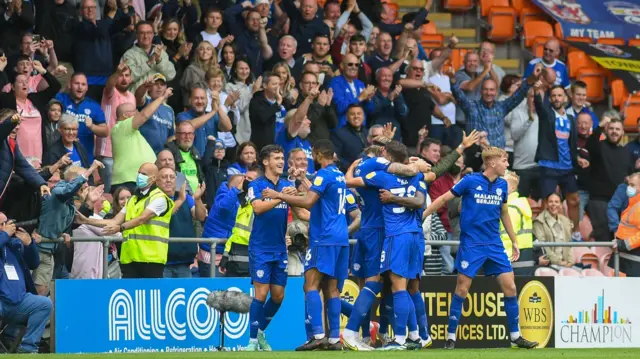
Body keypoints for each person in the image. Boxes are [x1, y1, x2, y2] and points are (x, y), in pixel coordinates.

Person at [424, 147, 538, 349]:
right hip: (472, 244)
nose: (507, 164)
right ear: (493, 163)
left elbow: (503, 213)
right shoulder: (470, 181)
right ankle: (451, 337)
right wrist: (422, 216)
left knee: (510, 286)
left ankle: (515, 335)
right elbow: (443, 199)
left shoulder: (502, 185)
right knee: (462, 288)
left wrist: (514, 241)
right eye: (504, 160)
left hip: (494, 244)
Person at [261, 140, 346, 351]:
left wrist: (279, 195)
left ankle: (317, 335)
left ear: (317, 154)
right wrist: (302, 180)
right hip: (340, 237)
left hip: (323, 237)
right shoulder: (339, 175)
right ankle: (334, 338)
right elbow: (318, 194)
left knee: (310, 285)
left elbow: (308, 201)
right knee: (332, 289)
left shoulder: (324, 174)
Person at [77, 162, 175, 278]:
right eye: (138, 173)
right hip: (129, 259)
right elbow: (114, 221)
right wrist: (86, 221)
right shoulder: (133, 199)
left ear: (153, 178)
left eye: (143, 174)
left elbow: (141, 219)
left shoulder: (160, 198)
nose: (139, 176)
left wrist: (120, 228)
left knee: (148, 295)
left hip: (151, 259)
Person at [244, 145, 296, 351]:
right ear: (265, 161)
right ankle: (252, 341)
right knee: (261, 293)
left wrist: (295, 192)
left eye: (282, 157)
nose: (281, 161)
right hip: (260, 248)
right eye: (277, 158)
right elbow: (258, 208)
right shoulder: (256, 185)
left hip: (280, 249)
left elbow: (300, 204)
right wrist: (280, 197)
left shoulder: (285, 184)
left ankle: (261, 331)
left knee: (278, 296)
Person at [34, 160, 104, 295]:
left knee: (45, 293)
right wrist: (91, 168)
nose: (86, 186)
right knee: (37, 292)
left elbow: (70, 223)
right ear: (73, 180)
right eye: (83, 181)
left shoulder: (70, 203)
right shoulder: (57, 191)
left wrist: (64, 233)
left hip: (51, 253)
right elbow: (67, 190)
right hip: (37, 250)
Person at [533, 82, 583, 241]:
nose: (556, 98)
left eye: (559, 95)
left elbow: (572, 143)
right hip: (549, 165)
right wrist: (537, 90)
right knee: (547, 202)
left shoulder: (570, 118)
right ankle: (543, 236)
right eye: (553, 95)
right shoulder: (547, 114)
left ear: (565, 98)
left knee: (574, 200)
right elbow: (539, 106)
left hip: (567, 166)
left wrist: (577, 159)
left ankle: (575, 233)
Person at [449, 63, 541, 149]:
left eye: (492, 90)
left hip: (497, 158)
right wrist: (453, 81)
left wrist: (531, 78)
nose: (489, 93)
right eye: (486, 89)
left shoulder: (502, 107)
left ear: (496, 92)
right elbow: (459, 96)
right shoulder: (471, 107)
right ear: (481, 91)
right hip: (476, 159)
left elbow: (518, 95)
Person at [0, 214, 52, 354]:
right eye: (3, 224)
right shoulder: (3, 239)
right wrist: (4, 235)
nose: (8, 226)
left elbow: (34, 263)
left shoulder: (13, 244)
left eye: (8, 223)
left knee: (44, 304)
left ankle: (27, 349)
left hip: (18, 301)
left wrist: (30, 245)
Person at [111, 88, 174, 194]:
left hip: (138, 180)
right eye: (135, 111)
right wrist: (162, 97)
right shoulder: (121, 127)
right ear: (126, 115)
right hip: (128, 181)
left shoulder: (132, 132)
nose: (138, 112)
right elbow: (144, 115)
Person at [586, 117, 632, 242]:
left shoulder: (626, 152)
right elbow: (589, 143)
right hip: (600, 201)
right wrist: (600, 126)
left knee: (621, 238)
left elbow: (630, 176)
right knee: (604, 238)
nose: (614, 131)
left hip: (620, 203)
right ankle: (604, 262)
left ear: (623, 132)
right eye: (611, 128)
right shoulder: (599, 147)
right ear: (606, 130)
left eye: (617, 129)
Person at [158, 167, 206, 278]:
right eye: (164, 177)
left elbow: (201, 216)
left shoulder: (185, 197)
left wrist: (198, 199)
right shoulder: (154, 198)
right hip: (161, 262)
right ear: (156, 181)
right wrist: (180, 200)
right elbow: (165, 215)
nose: (168, 180)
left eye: (172, 177)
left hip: (184, 262)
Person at [97, 61, 135, 192]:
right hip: (107, 150)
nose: (124, 78)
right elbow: (109, 84)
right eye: (121, 75)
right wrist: (117, 72)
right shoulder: (110, 92)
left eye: (127, 75)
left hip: (125, 151)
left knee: (121, 191)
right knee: (107, 190)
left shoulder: (131, 96)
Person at [55, 73, 109, 162]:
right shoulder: (60, 99)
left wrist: (92, 126)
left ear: (87, 87)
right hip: (60, 156)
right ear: (69, 85)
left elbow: (105, 131)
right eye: (76, 83)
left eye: (83, 84)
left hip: (85, 158)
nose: (80, 87)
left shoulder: (94, 106)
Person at [0, 112, 50, 208]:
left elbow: (24, 167)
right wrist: (10, 122)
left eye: (18, 123)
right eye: (15, 122)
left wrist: (41, 183)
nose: (17, 127)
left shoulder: (12, 144)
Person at [121, 21, 177, 92]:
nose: (146, 36)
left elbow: (171, 75)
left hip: (157, 100)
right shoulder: (129, 54)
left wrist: (159, 61)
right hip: (136, 100)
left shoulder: (161, 52)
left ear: (153, 34)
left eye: (149, 33)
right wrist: (148, 64)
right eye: (142, 33)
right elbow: (126, 79)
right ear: (136, 35)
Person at [176, 87, 232, 157]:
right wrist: (213, 111)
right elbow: (189, 125)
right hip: (192, 161)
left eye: (202, 98)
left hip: (210, 163)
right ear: (190, 100)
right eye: (196, 98)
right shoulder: (182, 116)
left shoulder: (213, 116)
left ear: (207, 100)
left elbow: (228, 127)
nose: (199, 101)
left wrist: (218, 106)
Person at [500, 171, 535, 275]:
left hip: (513, 257)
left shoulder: (510, 207)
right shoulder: (520, 204)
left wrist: (503, 257)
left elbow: (508, 235)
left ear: (512, 188)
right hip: (524, 254)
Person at [224, 2, 273, 75]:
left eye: (257, 19)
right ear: (246, 22)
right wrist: (243, 5)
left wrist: (262, 29)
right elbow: (227, 14)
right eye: (252, 19)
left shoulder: (265, 35)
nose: (255, 22)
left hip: (256, 78)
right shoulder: (238, 32)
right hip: (238, 75)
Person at [329, 53, 375, 129]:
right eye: (350, 64)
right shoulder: (335, 83)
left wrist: (368, 100)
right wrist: (360, 98)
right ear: (342, 66)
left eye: (356, 65)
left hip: (361, 129)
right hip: (343, 129)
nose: (354, 67)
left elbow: (370, 110)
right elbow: (339, 108)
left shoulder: (360, 83)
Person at [134, 74, 176, 154]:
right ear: (150, 88)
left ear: (166, 88)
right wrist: (144, 86)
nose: (159, 87)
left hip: (161, 157)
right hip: (143, 154)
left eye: (162, 84)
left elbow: (171, 136)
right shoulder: (146, 101)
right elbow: (138, 97)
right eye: (156, 84)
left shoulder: (169, 110)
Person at [532, 193, 574, 268]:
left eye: (556, 202)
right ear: (547, 204)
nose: (553, 204)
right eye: (550, 202)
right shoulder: (539, 222)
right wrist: (559, 262)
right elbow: (543, 247)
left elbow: (569, 244)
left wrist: (570, 261)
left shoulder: (565, 221)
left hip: (565, 264)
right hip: (549, 264)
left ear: (561, 204)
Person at [249, 72, 287, 150]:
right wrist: (277, 103)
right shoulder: (256, 101)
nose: (277, 87)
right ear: (265, 85)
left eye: (279, 84)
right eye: (274, 84)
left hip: (282, 145)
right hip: (264, 147)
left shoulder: (285, 101)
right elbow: (263, 117)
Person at [613, 172, 640, 277]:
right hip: (628, 256)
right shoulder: (633, 204)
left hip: (635, 259)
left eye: (633, 185)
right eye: (629, 184)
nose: (629, 188)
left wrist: (624, 244)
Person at [370, 68, 407, 142]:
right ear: (377, 78)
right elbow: (372, 111)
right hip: (377, 137)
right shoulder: (372, 93)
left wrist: (397, 98)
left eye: (389, 76)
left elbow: (403, 113)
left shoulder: (396, 93)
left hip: (395, 137)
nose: (387, 78)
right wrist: (389, 99)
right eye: (384, 76)